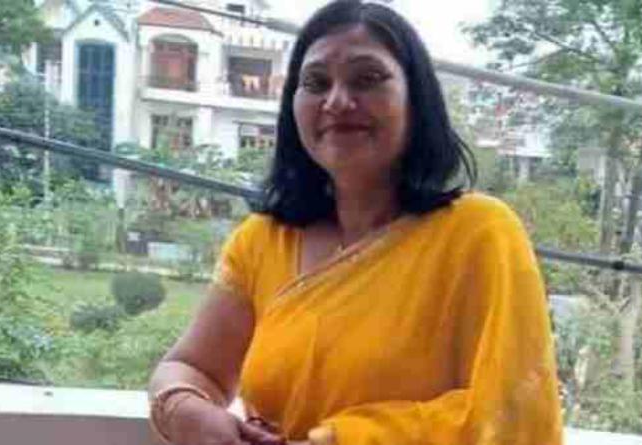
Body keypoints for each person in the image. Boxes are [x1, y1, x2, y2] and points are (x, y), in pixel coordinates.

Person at [147, 1, 563, 444]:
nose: (337, 101)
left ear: (416, 100)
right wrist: (183, 408)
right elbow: (193, 367)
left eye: (367, 79)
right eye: (316, 83)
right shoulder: (262, 241)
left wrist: (342, 438)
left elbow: (514, 412)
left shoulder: (479, 234)